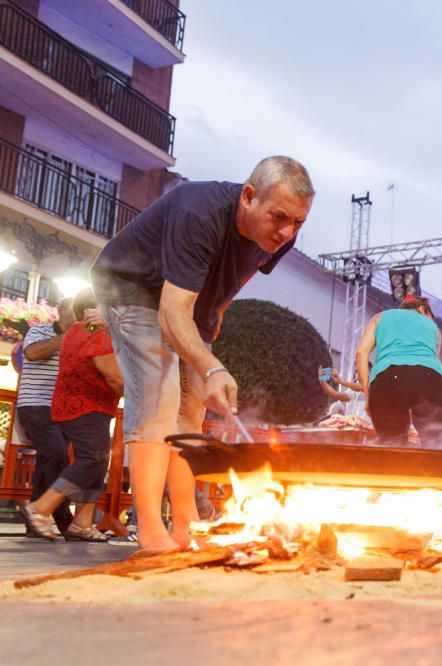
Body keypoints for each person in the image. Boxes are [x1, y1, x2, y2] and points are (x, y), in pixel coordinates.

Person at [90, 156, 314, 553]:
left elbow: (241, 273)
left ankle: (186, 523)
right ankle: (150, 532)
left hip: (191, 307)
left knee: (192, 414)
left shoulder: (283, 234)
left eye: (297, 222)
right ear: (248, 197)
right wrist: (211, 366)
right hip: (133, 289)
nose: (287, 232)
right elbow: (170, 311)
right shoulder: (199, 210)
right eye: (279, 217)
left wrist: (213, 320)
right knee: (160, 397)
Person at [19, 290, 123, 541]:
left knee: (97, 462)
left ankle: (81, 523)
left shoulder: (78, 331)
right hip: (86, 405)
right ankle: (40, 508)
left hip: (81, 405)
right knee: (91, 459)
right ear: (94, 309)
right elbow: (113, 375)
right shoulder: (91, 332)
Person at [355, 294, 442, 448]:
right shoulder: (435, 329)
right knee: (438, 448)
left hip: (387, 380)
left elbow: (361, 353)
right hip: (431, 380)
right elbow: (433, 361)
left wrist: (368, 394)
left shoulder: (380, 317)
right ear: (422, 308)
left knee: (392, 448)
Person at [15, 297, 76, 536]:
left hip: (64, 410)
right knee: (57, 454)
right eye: (76, 310)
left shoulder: (83, 334)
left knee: (47, 462)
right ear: (60, 311)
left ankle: (34, 524)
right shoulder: (39, 329)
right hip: (35, 405)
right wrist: (68, 337)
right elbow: (31, 353)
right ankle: (64, 520)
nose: (80, 314)